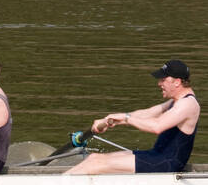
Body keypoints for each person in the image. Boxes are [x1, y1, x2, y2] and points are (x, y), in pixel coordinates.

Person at [65, 59, 200, 174]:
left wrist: (125, 118)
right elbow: (149, 113)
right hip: (157, 156)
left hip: (167, 164)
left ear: (177, 82)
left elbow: (157, 126)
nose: (159, 84)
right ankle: (62, 182)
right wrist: (111, 120)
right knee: (94, 158)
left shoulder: (188, 104)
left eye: (163, 80)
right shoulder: (176, 100)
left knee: (97, 163)